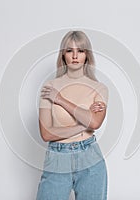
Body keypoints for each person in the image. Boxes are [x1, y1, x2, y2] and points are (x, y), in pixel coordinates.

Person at [36, 30, 109, 200]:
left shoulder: (99, 88)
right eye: (69, 51)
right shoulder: (50, 87)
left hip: (90, 156)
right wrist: (83, 124)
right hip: (57, 157)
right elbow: (46, 133)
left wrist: (60, 99)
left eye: (80, 51)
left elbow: (95, 123)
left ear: (87, 55)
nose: (75, 56)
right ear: (63, 55)